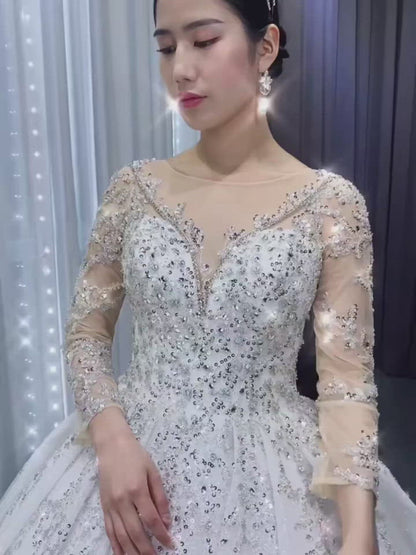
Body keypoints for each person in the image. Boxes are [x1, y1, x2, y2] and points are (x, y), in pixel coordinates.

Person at [0, 0, 416, 553]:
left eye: (203, 41)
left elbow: (346, 382)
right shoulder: (133, 191)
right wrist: (111, 436)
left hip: (272, 473)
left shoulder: (331, 205)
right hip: (129, 460)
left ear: (265, 47)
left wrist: (360, 536)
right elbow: (86, 334)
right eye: (166, 48)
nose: (180, 69)